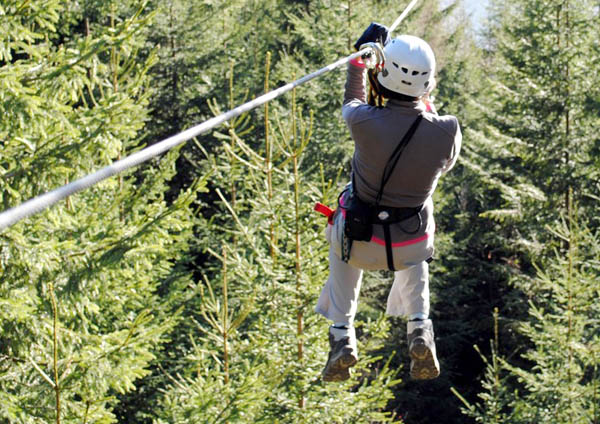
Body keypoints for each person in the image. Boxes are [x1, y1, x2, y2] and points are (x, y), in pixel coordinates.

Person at [315, 23, 462, 382]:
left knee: (342, 225)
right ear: (427, 84)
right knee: (419, 212)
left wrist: (359, 63)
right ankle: (419, 326)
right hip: (410, 247)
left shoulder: (363, 121)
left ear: (383, 75)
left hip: (360, 244)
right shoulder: (447, 130)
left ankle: (342, 335)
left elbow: (352, 100)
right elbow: (441, 152)